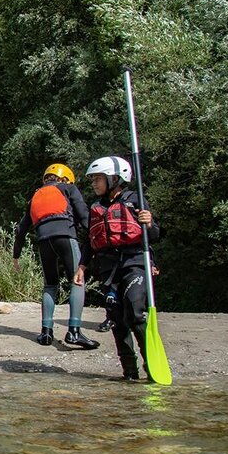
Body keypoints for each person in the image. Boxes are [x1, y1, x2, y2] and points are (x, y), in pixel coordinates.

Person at [74, 156, 160, 381]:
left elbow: (153, 235)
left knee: (135, 312)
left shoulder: (135, 200)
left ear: (115, 178)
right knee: (116, 318)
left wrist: (149, 223)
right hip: (108, 269)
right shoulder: (96, 208)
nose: (94, 184)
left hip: (134, 263)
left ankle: (151, 367)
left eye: (98, 179)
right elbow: (89, 241)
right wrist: (81, 267)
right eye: (93, 180)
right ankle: (129, 372)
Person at [12, 163, 100, 349]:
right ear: (65, 178)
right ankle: (74, 331)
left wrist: (16, 255)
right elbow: (84, 215)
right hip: (66, 236)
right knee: (77, 280)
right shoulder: (68, 188)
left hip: (44, 241)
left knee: (50, 284)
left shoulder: (35, 196)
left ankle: (46, 333)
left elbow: (21, 229)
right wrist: (97, 239)